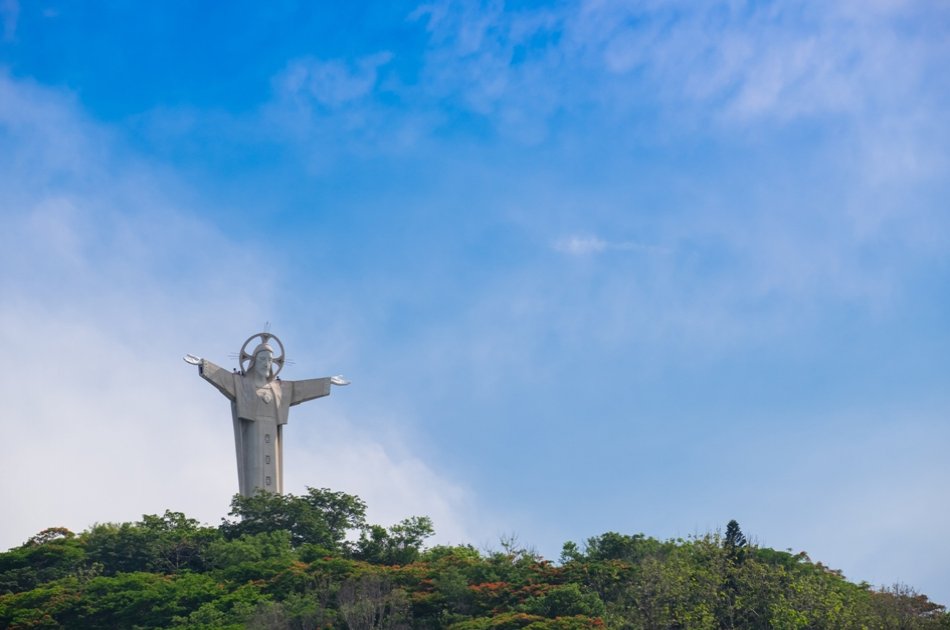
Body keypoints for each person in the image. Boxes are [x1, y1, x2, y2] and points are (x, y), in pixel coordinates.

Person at [196, 334, 348, 496]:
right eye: (262, 359)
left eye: (269, 360)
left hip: (272, 435)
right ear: (254, 361)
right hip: (253, 434)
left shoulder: (280, 388)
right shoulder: (242, 383)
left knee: (272, 477)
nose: (266, 363)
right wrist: (203, 364)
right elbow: (223, 378)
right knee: (256, 480)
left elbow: (302, 388)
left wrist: (327, 382)